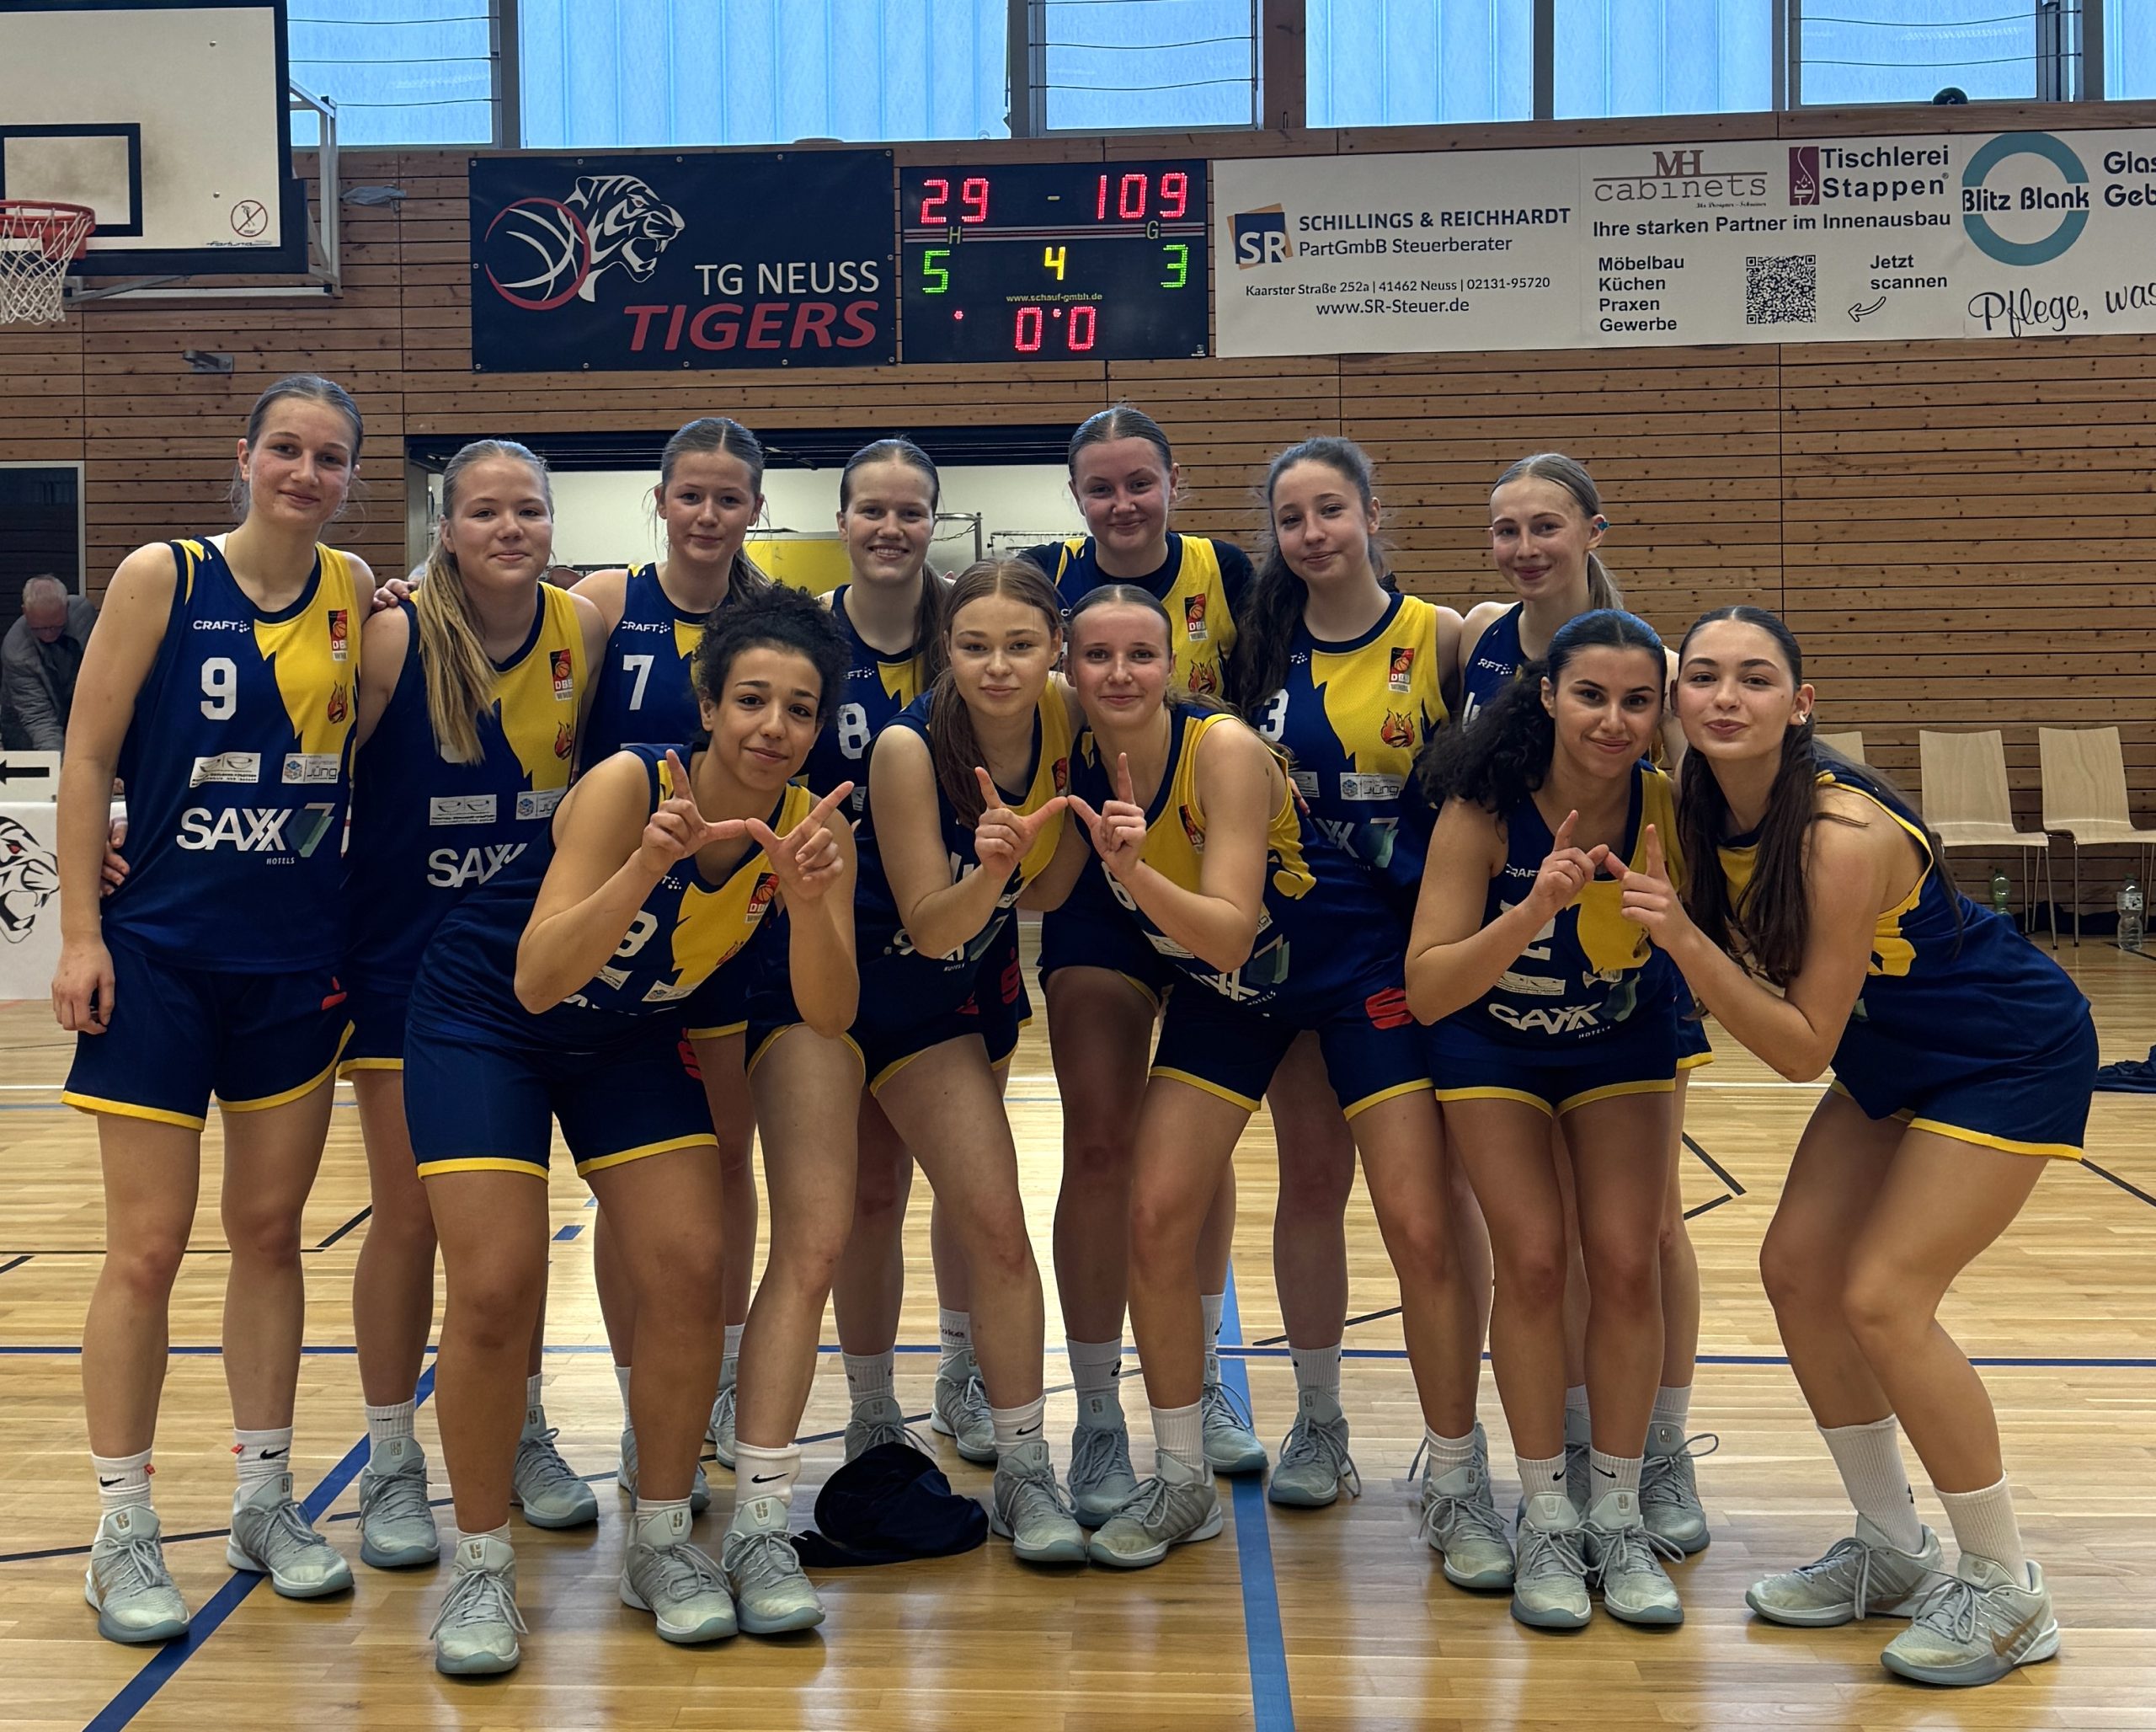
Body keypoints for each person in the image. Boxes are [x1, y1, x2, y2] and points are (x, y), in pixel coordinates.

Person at [1620, 605, 2095, 1687]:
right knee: (1795, 1269)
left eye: (1754, 678)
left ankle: (2007, 1586)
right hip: (1893, 1052)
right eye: (1703, 676)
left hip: (2005, 1048)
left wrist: (1682, 937)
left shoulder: (1839, 834)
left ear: (1800, 704)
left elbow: (1798, 1050)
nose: (1725, 697)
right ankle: (1891, 1545)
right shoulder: (1693, 807)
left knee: (1882, 1297)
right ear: (1676, 698)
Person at [407, 585, 858, 1671]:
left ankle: (659, 1540)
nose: (773, 726)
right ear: (707, 704)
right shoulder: (629, 783)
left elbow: (829, 1013)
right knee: (496, 1284)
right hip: (488, 1020)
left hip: (625, 1035)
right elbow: (537, 974)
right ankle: (480, 1564)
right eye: (751, 699)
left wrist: (805, 905)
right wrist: (649, 866)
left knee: (692, 1264)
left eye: (799, 709)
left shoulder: (814, 825)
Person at [1052, 585, 1479, 1572]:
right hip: (1231, 994)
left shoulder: (1224, 749)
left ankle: (1456, 1478)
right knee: (1154, 1212)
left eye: (1140, 654)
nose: (1119, 673)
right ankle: (1180, 1477)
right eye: (1097, 655)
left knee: (1417, 1221)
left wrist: (1131, 871)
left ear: (1172, 666)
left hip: (1347, 975)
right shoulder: (1068, 747)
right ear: (1069, 671)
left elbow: (1229, 928)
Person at [53, 375, 372, 1643]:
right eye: (286, 448)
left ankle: (262, 1498)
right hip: (160, 958)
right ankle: (122, 1525)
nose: (305, 472)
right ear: (244, 457)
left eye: (329, 457)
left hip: (294, 960)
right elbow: (87, 755)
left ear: (350, 477)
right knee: (146, 1247)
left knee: (271, 1235)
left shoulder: (356, 592)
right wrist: (81, 930)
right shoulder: (163, 575)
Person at [753, 557, 1087, 1564]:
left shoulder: (1068, 721)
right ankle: (863, 1421)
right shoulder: (908, 746)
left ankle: (1026, 1468)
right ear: (947, 649)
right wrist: (994, 869)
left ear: (1054, 648)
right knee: (847, 1215)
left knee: (997, 1224)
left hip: (939, 999)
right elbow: (934, 920)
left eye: (1020, 645)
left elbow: (1049, 890)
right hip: (846, 980)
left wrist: (1053, 852)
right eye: (975, 645)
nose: (998, 666)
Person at [341, 440, 610, 1572]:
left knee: (514, 1230)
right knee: (410, 1218)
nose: (510, 528)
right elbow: (319, 767)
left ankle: (522, 1426)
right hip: (406, 967)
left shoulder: (580, 629)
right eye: (485, 512)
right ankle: (390, 1456)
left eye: (528, 511)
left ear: (552, 525)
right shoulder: (395, 635)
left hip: (528, 968)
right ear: (444, 530)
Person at [1229, 437, 1498, 1551]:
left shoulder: (1441, 637)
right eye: (1291, 517)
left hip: (1410, 959)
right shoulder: (1255, 649)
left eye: (1329, 509)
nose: (1311, 533)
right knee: (1310, 1179)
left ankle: (1457, 1454)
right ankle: (1319, 1420)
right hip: (1296, 952)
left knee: (1426, 1209)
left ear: (1373, 515)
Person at [1406, 609, 1687, 1632]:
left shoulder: (1668, 807)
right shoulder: (1483, 809)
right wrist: (1531, 910)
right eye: (1591, 696)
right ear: (1547, 695)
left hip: (1618, 1043)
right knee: (1529, 1259)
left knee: (1625, 1260)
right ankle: (1546, 1514)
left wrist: (1678, 924)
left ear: (1659, 712)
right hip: (1493, 1047)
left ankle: (1616, 1508)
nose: (1613, 719)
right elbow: (1428, 988)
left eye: (1637, 701)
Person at [1465, 452, 1714, 1555]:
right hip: (1514, 959)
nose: (1526, 547)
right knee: (1545, 1237)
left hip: (1628, 964)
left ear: (1591, 532)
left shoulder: (1651, 660)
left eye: (1546, 526)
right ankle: (1571, 1441)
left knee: (1645, 1228)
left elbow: (1698, 796)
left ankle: (1655, 1447)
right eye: (1507, 527)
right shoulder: (1475, 636)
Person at [1020, 405, 1266, 1518]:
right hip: (1096, 894)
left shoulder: (1230, 575)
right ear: (1076, 496)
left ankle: (1198, 1372)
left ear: (1173, 482)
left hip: (1202, 865)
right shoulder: (1043, 578)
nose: (1121, 503)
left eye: (1139, 482)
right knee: (1100, 1142)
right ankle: (1096, 1411)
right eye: (1100, 486)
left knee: (1190, 1156)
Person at [574, 415, 771, 1490]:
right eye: (690, 493)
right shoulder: (606, 602)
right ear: (659, 499)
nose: (707, 514)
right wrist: (401, 589)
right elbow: (480, 619)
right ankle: (636, 1391)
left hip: (726, 922)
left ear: (755, 509)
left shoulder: (773, 615)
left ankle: (722, 1379)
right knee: (630, 1179)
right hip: (615, 923)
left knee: (728, 1158)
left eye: (728, 497)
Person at [803, 438, 975, 1461]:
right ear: (841, 520)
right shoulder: (801, 635)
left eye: (910, 511)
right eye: (872, 508)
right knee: (869, 1190)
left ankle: (961, 1370)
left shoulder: (969, 632)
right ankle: (871, 1404)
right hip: (835, 945)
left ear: (934, 522)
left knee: (966, 1182)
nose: (890, 527)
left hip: (956, 941)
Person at [2, 575, 97, 752]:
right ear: (25, 611)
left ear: (67, 607)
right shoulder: (15, 651)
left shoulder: (84, 615)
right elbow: (39, 719)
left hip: (73, 715)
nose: (48, 635)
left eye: (56, 626)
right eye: (39, 628)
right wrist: (57, 764)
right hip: (26, 729)